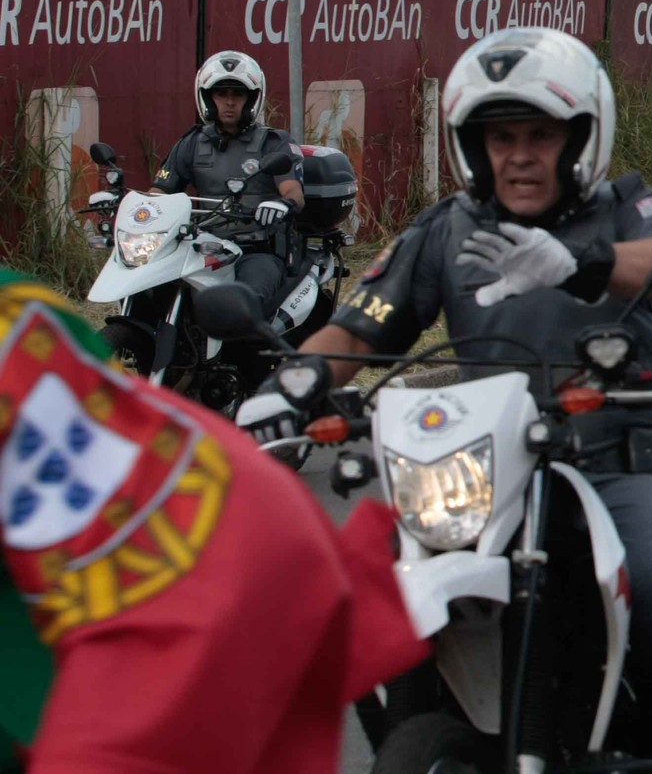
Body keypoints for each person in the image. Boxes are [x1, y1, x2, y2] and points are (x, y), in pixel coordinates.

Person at [239, 26, 652, 774]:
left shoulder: (629, 211)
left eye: (540, 134)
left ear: (582, 137)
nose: (518, 154)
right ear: (470, 147)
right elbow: (360, 330)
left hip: (615, 464)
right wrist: (287, 390)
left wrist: (580, 262)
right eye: (499, 136)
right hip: (480, 473)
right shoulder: (449, 230)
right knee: (369, 590)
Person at [0, 269, 426, 774]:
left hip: (188, 586)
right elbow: (370, 315)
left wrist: (277, 201)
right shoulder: (439, 232)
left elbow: (368, 314)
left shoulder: (13, 328)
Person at [149, 51, 306, 342]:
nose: (230, 102)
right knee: (155, 289)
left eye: (238, 94)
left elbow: (294, 192)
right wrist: (139, 212)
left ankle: (250, 373)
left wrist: (281, 204)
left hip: (258, 249)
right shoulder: (192, 143)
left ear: (252, 98)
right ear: (208, 98)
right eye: (221, 94)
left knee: (245, 307)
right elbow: (160, 191)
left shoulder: (274, 142)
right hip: (205, 248)